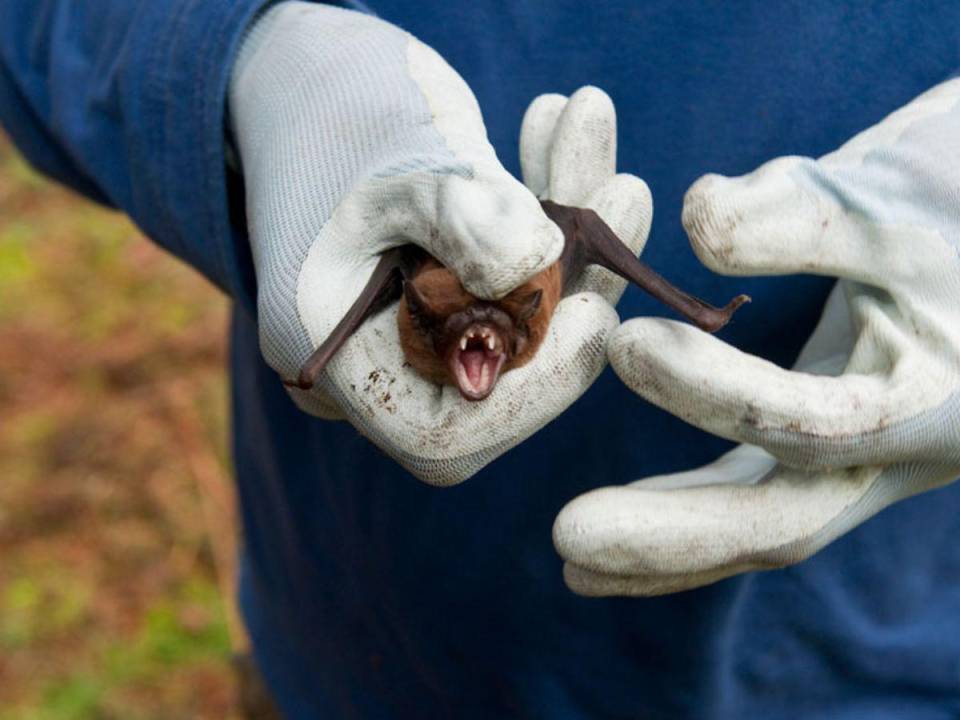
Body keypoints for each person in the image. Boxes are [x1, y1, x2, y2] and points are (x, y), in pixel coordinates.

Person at [3, 1, 959, 717]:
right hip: (359, 652)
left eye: (493, 337)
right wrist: (233, 53)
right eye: (464, 337)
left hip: (866, 674)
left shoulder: (541, 273)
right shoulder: (424, 306)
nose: (481, 346)